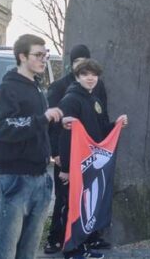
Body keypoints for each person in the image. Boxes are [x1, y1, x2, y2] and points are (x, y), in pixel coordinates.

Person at [0, 34, 63, 259]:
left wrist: (56, 128)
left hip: (40, 180)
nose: (43, 60)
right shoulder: (7, 89)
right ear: (22, 56)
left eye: (45, 54)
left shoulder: (36, 88)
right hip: (14, 181)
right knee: (6, 250)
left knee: (28, 251)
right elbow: (3, 127)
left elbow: (36, 128)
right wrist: (42, 119)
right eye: (38, 55)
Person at [58, 59, 128, 259]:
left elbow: (101, 129)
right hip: (75, 165)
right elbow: (65, 134)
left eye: (94, 75)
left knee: (86, 207)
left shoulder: (94, 99)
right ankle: (71, 250)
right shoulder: (70, 100)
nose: (90, 78)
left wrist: (117, 124)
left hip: (90, 164)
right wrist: (66, 167)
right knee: (73, 206)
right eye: (85, 74)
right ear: (77, 76)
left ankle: (83, 246)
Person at [44, 44, 110, 254]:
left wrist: (116, 125)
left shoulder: (95, 90)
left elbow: (100, 119)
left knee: (84, 200)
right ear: (73, 68)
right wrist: (57, 155)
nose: (88, 76)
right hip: (66, 157)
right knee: (64, 200)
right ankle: (57, 239)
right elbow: (56, 126)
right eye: (82, 69)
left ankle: (84, 240)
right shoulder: (61, 89)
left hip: (87, 158)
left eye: (91, 72)